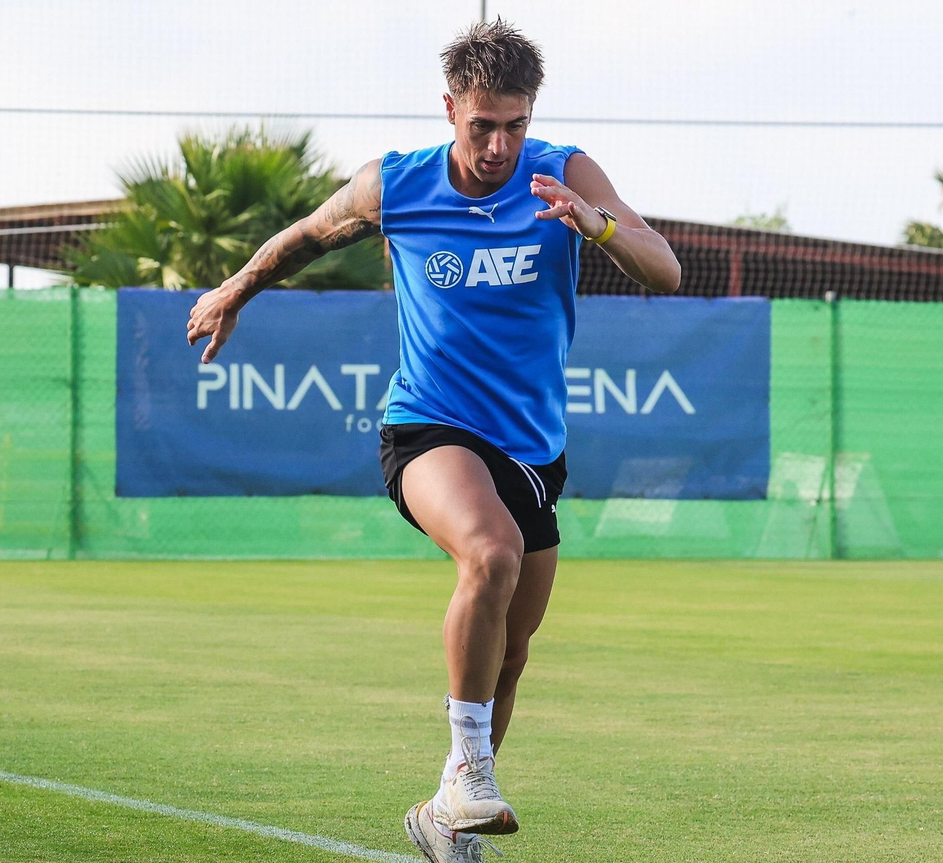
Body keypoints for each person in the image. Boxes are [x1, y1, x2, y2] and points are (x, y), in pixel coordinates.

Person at [185, 18, 681, 863]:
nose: (498, 144)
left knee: (513, 651)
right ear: (450, 107)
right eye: (482, 124)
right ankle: (472, 777)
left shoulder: (563, 173)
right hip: (429, 426)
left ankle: (447, 810)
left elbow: (663, 268)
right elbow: (304, 235)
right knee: (489, 554)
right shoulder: (398, 185)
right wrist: (235, 288)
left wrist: (592, 222)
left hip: (532, 449)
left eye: (514, 126)